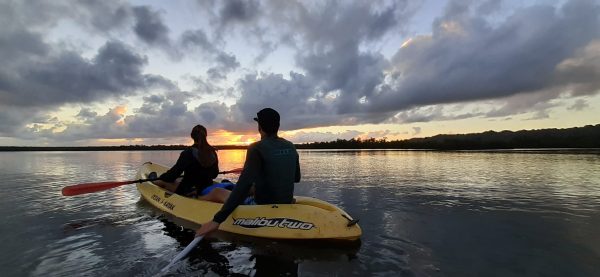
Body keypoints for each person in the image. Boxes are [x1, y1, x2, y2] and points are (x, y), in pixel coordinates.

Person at [195, 108, 301, 236]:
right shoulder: (290, 146)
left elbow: (243, 186)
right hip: (286, 201)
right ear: (277, 126)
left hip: (261, 206)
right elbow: (296, 178)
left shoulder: (256, 148)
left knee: (218, 192)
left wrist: (217, 220)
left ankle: (196, 199)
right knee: (251, 187)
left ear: (259, 126)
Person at [154, 125, 219, 196]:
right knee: (177, 181)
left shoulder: (188, 153)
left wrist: (161, 177)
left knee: (161, 182)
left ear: (192, 136)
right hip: (206, 187)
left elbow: (173, 175)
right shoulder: (212, 151)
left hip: (188, 189)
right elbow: (214, 175)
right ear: (205, 136)